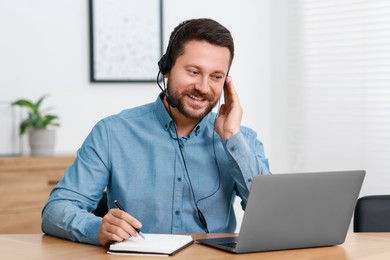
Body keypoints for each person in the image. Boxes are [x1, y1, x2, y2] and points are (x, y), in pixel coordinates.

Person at [41, 18, 270, 246]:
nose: (203, 87)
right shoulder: (112, 133)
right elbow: (56, 211)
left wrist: (231, 138)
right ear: (166, 68)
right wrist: (97, 228)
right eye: (193, 72)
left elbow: (271, 217)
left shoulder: (242, 140)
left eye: (216, 77)